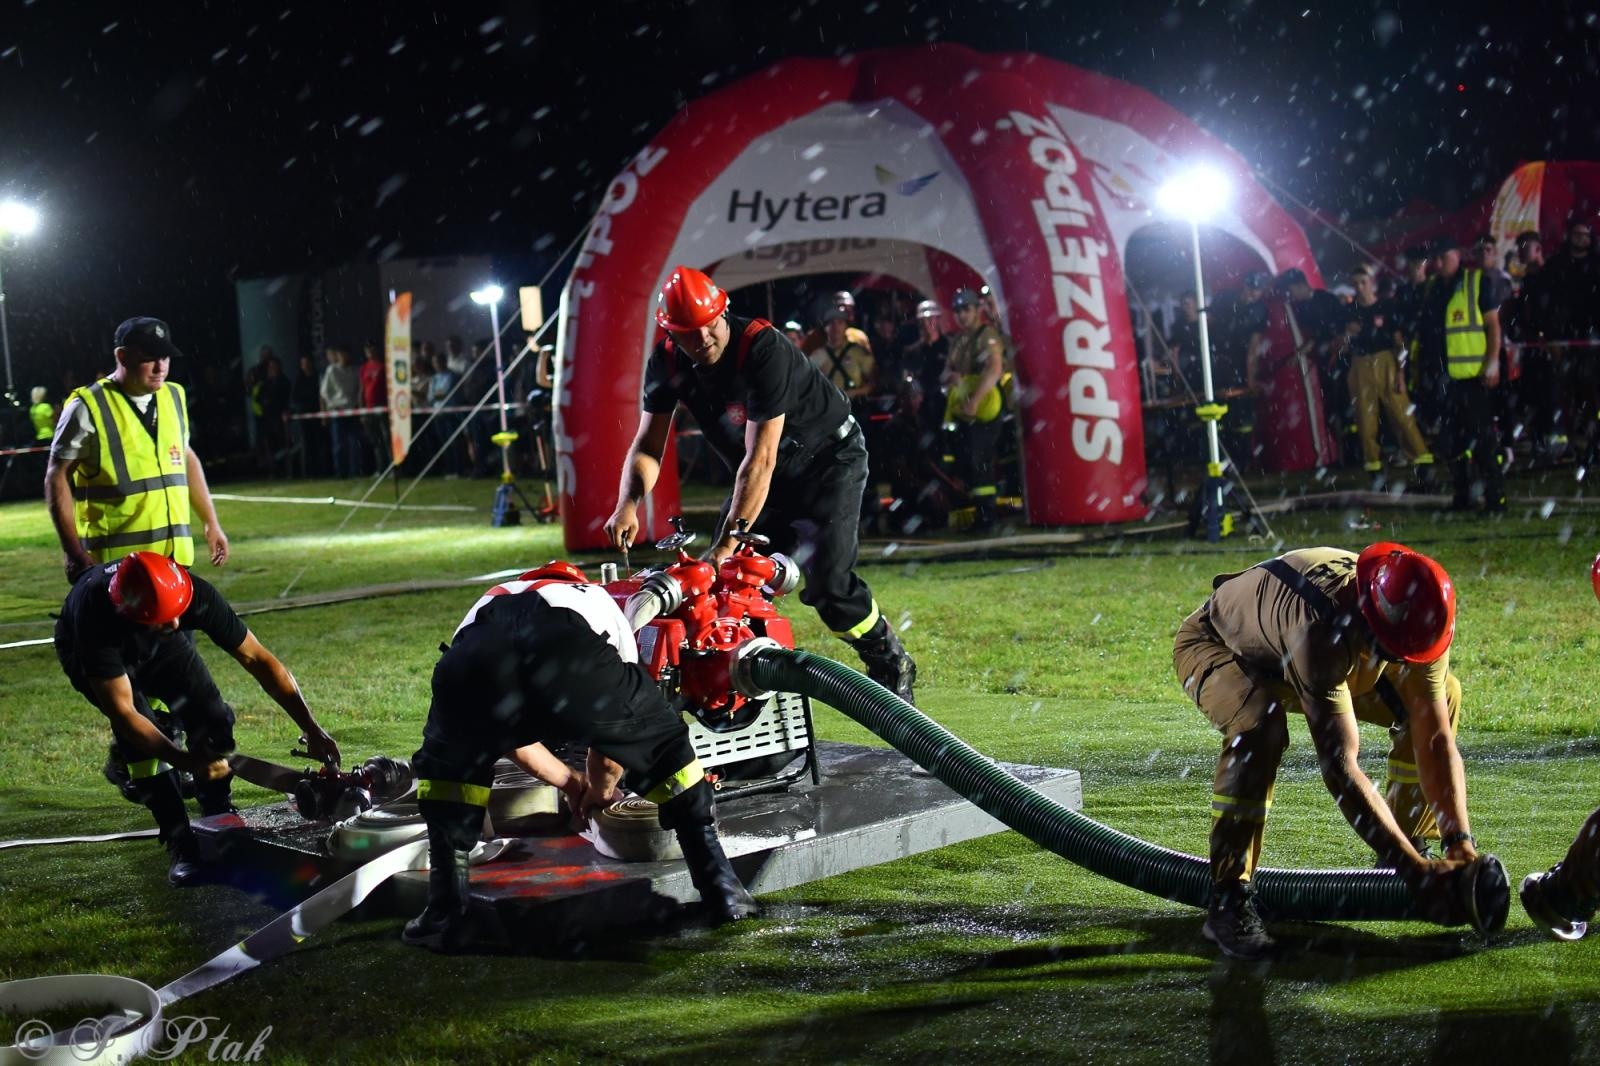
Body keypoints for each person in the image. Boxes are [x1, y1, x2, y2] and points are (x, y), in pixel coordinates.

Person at [1173, 543, 1504, 959]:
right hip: (1223, 645)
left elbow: (1435, 739)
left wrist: (1460, 842)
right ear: (1370, 615)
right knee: (1260, 726)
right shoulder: (1317, 626)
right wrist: (1417, 876)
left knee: (1444, 695)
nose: (1402, 662)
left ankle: (1406, 848)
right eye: (1391, 653)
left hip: (1322, 644)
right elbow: (1341, 767)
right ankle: (1227, 899)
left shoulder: (1421, 616)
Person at [403, 562, 757, 950]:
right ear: (576, 580)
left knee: (450, 776)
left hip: (470, 666)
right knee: (668, 754)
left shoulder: (492, 600)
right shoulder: (597, 600)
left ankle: (445, 909)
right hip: (568, 656)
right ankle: (723, 891)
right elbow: (612, 738)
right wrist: (601, 791)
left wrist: (572, 784)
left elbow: (504, 735)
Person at [605, 266, 917, 701]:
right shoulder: (668, 361)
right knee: (719, 585)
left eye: (710, 325)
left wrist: (727, 545)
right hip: (763, 475)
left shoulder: (762, 347)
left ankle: (887, 655)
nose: (705, 339)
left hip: (827, 463)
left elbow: (761, 457)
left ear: (723, 310)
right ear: (670, 333)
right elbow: (647, 446)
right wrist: (628, 503)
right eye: (690, 333)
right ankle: (734, 698)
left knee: (828, 587)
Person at [54, 551, 341, 885]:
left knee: (212, 716)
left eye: (177, 613)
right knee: (144, 748)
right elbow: (125, 712)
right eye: (166, 618)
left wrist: (310, 726)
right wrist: (185, 760)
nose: (177, 624)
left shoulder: (190, 595)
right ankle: (180, 841)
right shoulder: (96, 619)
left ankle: (217, 812)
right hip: (85, 647)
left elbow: (259, 659)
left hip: (155, 637)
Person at [43, 317, 229, 583]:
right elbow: (56, 475)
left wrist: (211, 521)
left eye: (165, 357)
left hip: (174, 565)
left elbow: (184, 456)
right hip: (116, 572)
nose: (160, 367)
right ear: (122, 356)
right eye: (149, 358)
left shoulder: (174, 396)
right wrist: (73, 552)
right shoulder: (88, 406)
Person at [1411, 235, 1510, 512]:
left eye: (1445, 256)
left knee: (1482, 442)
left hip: (1471, 377)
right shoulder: (1431, 288)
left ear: (1458, 255)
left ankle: (1495, 498)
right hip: (1442, 380)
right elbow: (1426, 332)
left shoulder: (1476, 282)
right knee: (1449, 443)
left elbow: (1493, 326)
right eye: (1437, 258)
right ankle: (1462, 496)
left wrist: (1492, 363)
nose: (1440, 262)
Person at [1344, 266, 1434, 486]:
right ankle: (1375, 470)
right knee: (1366, 422)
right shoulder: (1349, 310)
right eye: (1355, 284)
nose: (1359, 288)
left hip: (1386, 362)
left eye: (1363, 282)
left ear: (1372, 281)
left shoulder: (1387, 306)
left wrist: (1401, 373)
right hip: (1361, 364)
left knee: (1402, 416)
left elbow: (1399, 342)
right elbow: (1342, 345)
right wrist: (1347, 335)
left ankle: (1423, 464)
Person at [941, 288, 1006, 531]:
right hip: (964, 407)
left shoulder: (986, 334)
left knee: (981, 461)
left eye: (965, 309)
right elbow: (947, 371)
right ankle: (980, 515)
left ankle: (987, 518)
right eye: (957, 310)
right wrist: (951, 378)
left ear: (977, 310)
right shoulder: (958, 340)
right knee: (969, 461)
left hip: (986, 407)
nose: (961, 315)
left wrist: (975, 401)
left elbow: (994, 369)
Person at [320, 345, 363, 478]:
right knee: (339, 444)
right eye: (340, 355)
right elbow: (324, 392)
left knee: (354, 443)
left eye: (345, 354)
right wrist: (331, 406)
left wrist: (357, 405)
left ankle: (355, 471)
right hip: (337, 412)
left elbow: (359, 390)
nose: (343, 357)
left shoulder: (355, 371)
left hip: (351, 410)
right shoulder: (331, 370)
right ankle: (340, 473)